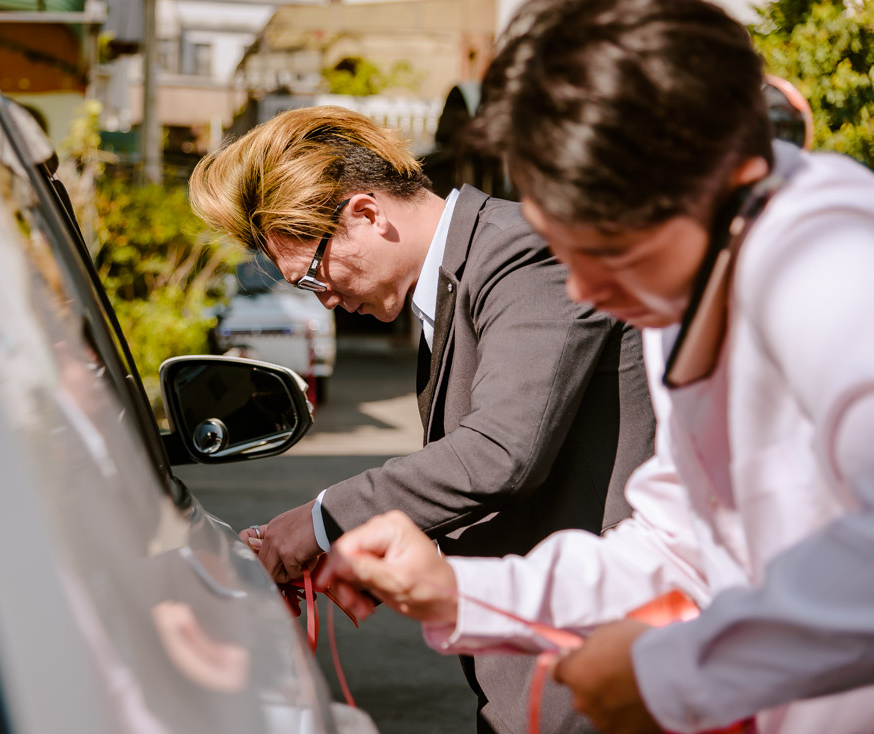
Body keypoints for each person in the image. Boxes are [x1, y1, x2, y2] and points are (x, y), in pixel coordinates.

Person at [317, 1, 874, 733]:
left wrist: (673, 673)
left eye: (603, 245)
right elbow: (678, 540)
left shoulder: (833, 270)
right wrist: (463, 592)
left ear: (707, 174)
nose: (581, 289)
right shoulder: (685, 281)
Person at [189, 106, 657, 733]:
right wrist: (361, 551)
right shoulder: (459, 278)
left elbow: (499, 453)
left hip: (602, 657)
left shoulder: (528, 254)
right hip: (543, 658)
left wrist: (325, 519)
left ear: (366, 213)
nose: (324, 298)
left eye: (313, 274)